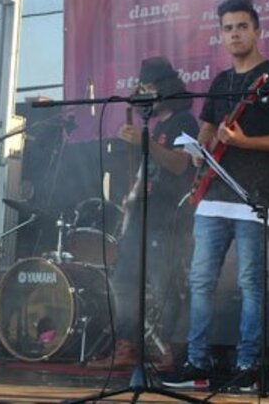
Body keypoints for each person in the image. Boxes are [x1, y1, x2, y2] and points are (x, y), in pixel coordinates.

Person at [163, 0, 269, 391]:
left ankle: (248, 365)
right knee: (200, 279)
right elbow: (207, 128)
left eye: (241, 26)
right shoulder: (221, 81)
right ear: (221, 35)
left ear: (257, 31)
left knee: (250, 283)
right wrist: (198, 150)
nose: (235, 34)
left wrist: (244, 142)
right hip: (213, 193)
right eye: (228, 28)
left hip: (256, 197)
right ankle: (197, 363)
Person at [87, 56, 198, 371]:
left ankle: (173, 349)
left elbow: (181, 164)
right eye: (142, 88)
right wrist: (132, 195)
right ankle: (127, 344)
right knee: (124, 280)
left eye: (149, 87)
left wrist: (145, 140)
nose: (144, 93)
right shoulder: (156, 124)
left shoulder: (184, 122)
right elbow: (148, 171)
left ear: (165, 88)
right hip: (142, 215)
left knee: (165, 285)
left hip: (168, 219)